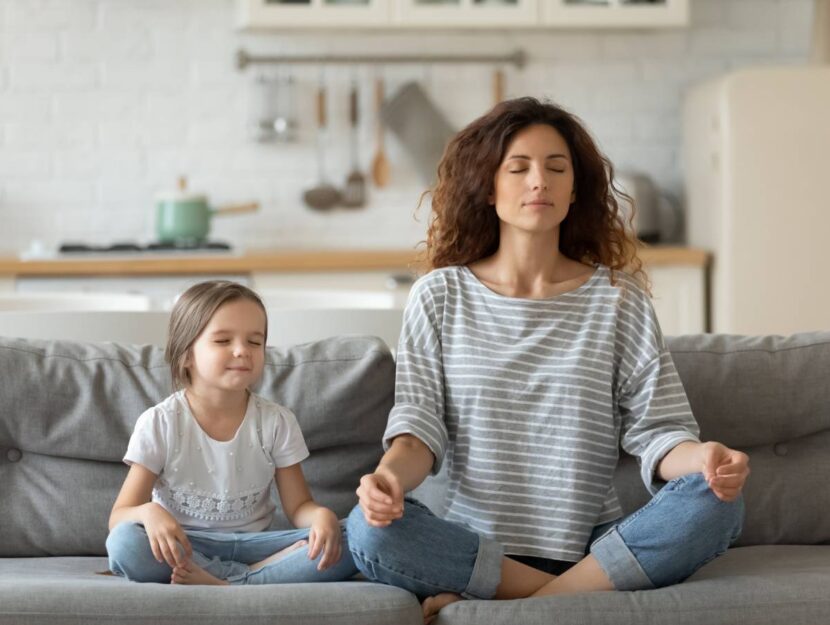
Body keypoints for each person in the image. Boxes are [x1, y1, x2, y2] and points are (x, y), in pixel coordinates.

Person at [346, 97, 749, 622]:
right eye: (519, 168)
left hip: (590, 541)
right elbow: (418, 426)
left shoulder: (616, 298)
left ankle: (519, 606)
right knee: (364, 529)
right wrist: (388, 480)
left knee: (719, 503)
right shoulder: (439, 295)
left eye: (556, 168)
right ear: (488, 187)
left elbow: (659, 430)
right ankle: (579, 594)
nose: (540, 181)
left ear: (574, 188)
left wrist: (704, 461)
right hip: (470, 544)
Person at [106, 280, 357, 585]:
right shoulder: (160, 422)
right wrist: (147, 514)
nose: (242, 351)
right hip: (185, 546)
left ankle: (225, 580)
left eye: (254, 342)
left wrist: (320, 517)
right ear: (186, 355)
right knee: (125, 543)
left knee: (353, 538)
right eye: (223, 341)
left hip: (256, 547)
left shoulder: (277, 421)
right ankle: (249, 581)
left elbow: (299, 507)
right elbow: (119, 516)